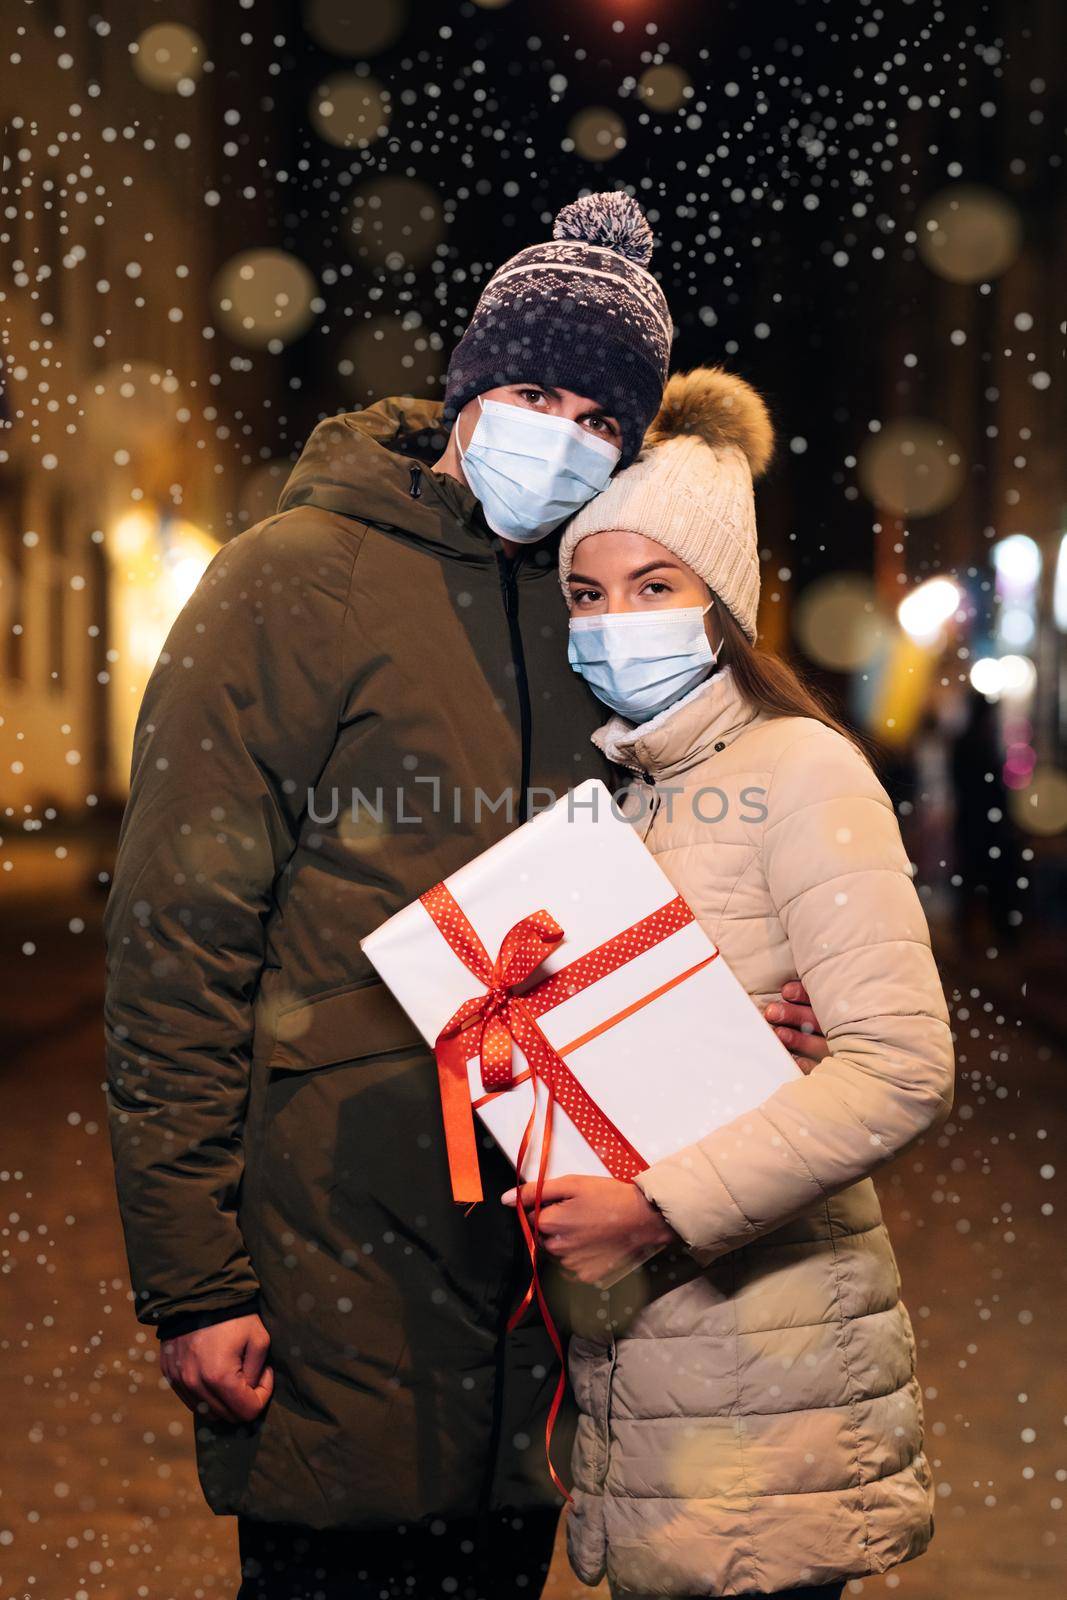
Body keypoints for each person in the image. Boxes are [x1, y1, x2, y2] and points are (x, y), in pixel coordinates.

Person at [102, 190, 828, 1600]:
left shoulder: (600, 614)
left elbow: (677, 861)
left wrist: (743, 1022)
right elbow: (175, 950)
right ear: (464, 387)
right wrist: (194, 1280)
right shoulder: (285, 584)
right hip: (333, 1241)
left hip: (542, 1262)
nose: (559, 434)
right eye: (531, 389)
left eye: (600, 418)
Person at [505, 366, 956, 1599]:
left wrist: (653, 1207)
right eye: (587, 593)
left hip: (770, 1384)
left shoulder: (802, 768)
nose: (614, 618)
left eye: (654, 586)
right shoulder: (626, 798)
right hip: (663, 1385)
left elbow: (901, 1062)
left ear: (723, 603)